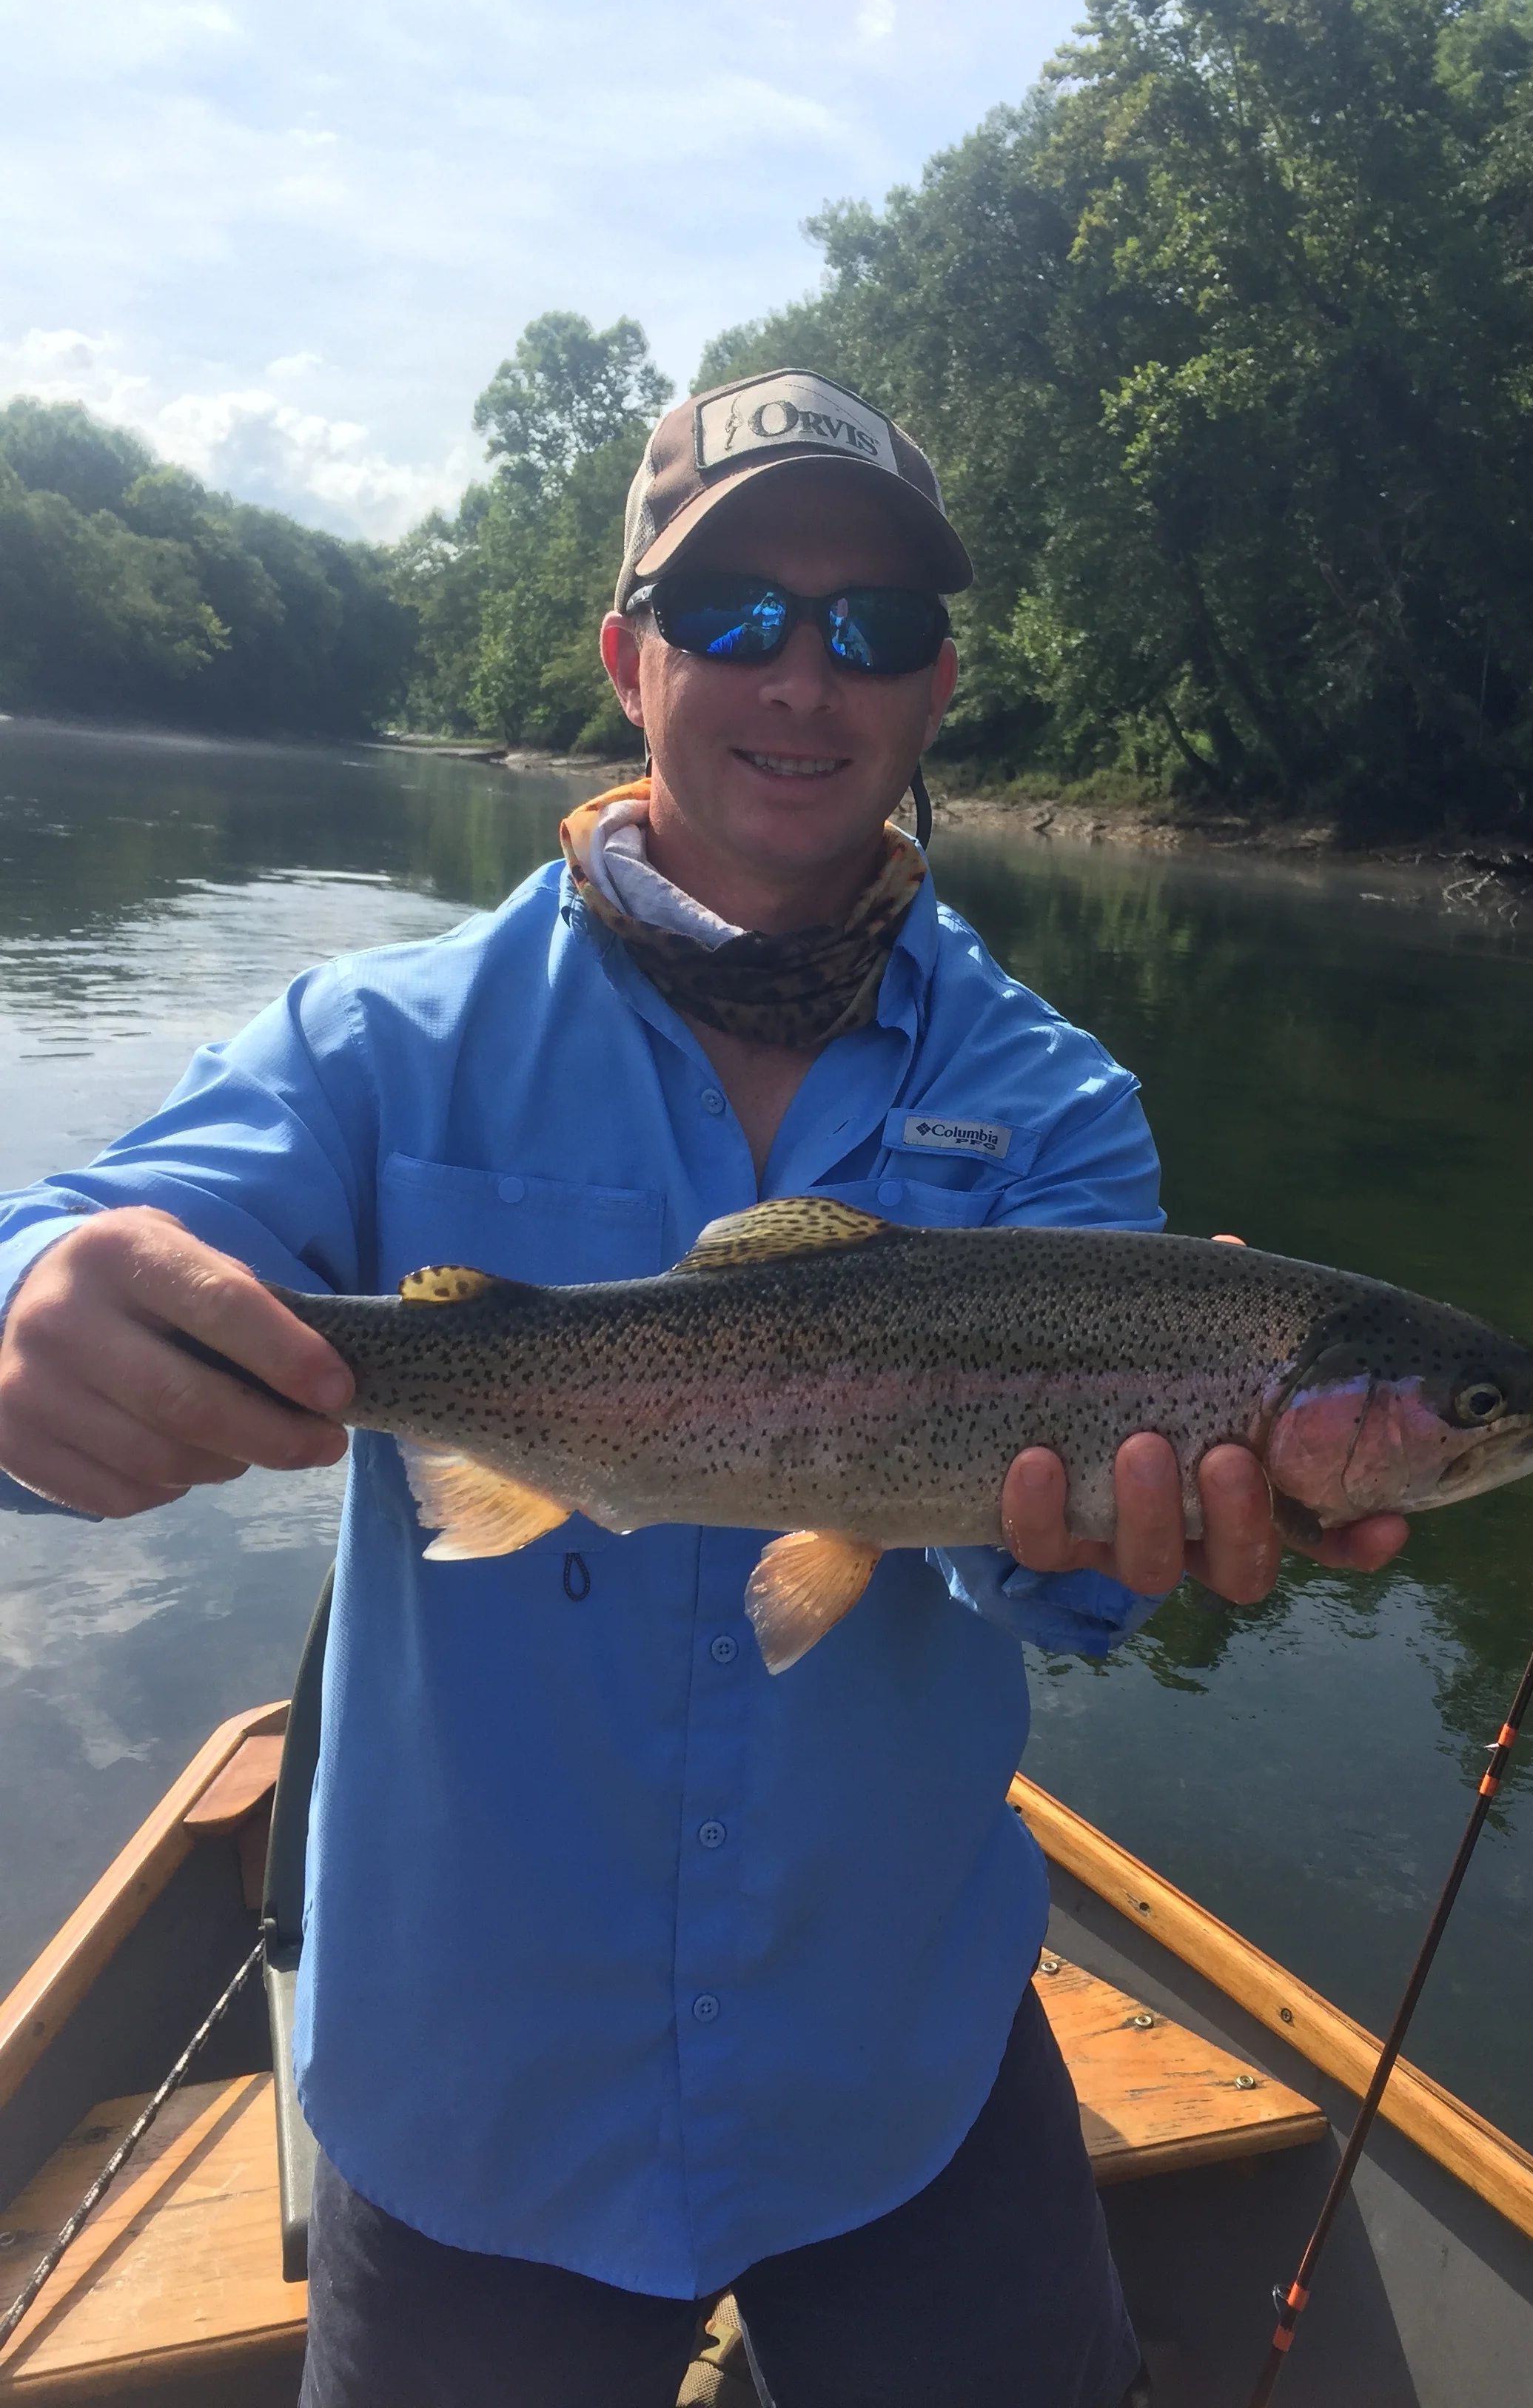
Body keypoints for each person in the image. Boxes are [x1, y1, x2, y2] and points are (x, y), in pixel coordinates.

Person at [0, 370, 1406, 2407]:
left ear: (937, 693)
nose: (806, 679)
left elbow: (1043, 1597)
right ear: (628, 656)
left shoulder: (1053, 1102)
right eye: (738, 610)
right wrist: (40, 1310)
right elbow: (68, 1240)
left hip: (893, 2051)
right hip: (472, 2072)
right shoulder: (381, 1045)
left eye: (877, 628)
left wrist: (1120, 1544)